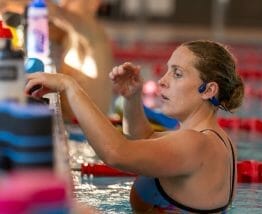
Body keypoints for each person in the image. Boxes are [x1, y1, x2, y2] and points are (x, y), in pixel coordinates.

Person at [25, 40, 244, 213]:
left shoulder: (195, 144)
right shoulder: (213, 139)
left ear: (208, 90)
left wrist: (69, 86)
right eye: (168, 70)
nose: (162, 81)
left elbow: (115, 153)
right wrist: (132, 98)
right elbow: (143, 138)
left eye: (177, 74)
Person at [0, 0, 114, 122]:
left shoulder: (94, 31)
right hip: (72, 122)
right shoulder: (73, 33)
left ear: (94, 3)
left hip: (82, 130)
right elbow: (45, 25)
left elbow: (57, 12)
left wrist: (8, 3)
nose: (64, 3)